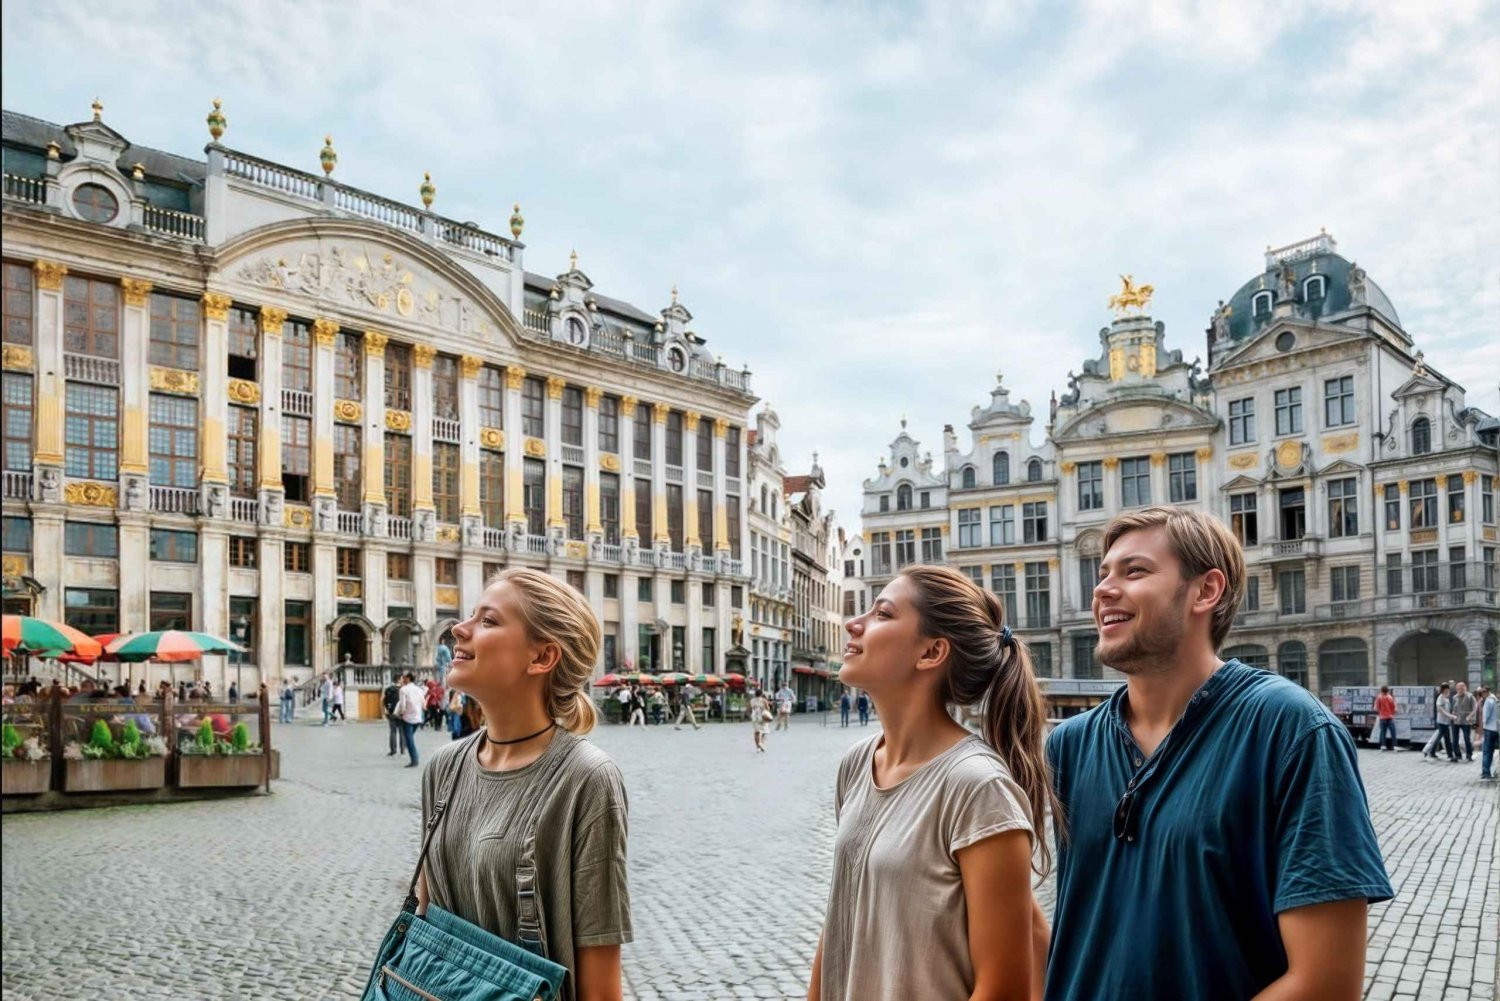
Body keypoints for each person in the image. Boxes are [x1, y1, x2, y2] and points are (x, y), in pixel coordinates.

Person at [1044, 507, 1391, 1001]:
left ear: (1206, 591)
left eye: (1134, 571)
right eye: (1103, 574)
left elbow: (1326, 983)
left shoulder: (1290, 729)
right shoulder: (1069, 744)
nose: (1102, 590)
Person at [808, 564, 1052, 1001]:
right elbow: (842, 916)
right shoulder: (856, 765)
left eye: (882, 614)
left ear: (931, 652)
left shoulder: (978, 788)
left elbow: (1004, 989)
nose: (853, 622)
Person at [416, 566, 631, 1000]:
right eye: (471, 616)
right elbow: (424, 920)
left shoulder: (585, 779)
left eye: (488, 620)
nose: (459, 628)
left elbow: (600, 977)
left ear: (541, 658)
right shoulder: (443, 767)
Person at [396, 671, 425, 767]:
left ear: (408, 678)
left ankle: (415, 759)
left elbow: (402, 704)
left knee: (409, 740)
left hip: (407, 718)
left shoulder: (403, 690)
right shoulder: (420, 690)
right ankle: (414, 757)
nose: (402, 679)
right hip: (418, 717)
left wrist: (400, 713)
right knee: (410, 738)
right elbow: (423, 704)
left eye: (404, 677)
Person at [1424, 683, 1455, 761]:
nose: (1448, 691)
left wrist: (1450, 716)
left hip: (1446, 722)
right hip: (1441, 721)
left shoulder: (1446, 698)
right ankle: (1431, 751)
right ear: (1443, 690)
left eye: (1448, 690)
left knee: (1446, 738)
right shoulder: (1440, 698)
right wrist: (1450, 716)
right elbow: (1440, 709)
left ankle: (1448, 754)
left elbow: (1447, 709)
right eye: (1446, 690)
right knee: (1440, 737)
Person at [1451, 681, 1476, 762]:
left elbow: (1475, 708)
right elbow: (1452, 709)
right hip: (1456, 720)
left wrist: (1470, 716)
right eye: (1458, 689)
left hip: (1466, 720)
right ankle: (1457, 755)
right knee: (1455, 739)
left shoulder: (1470, 696)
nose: (1459, 690)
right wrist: (1452, 715)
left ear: (1465, 688)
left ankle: (1469, 755)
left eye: (1461, 688)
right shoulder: (1454, 697)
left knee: (1466, 738)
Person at [1479, 687, 1498, 780]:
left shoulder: (1489, 701)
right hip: (1496, 729)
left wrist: (1483, 725)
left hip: (1489, 728)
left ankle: (1486, 772)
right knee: (1491, 750)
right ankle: (1488, 771)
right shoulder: (1495, 699)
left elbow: (1486, 715)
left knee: (1487, 751)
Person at [383, 676, 405, 756]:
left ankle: (393, 750)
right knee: (402, 732)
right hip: (401, 713)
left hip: (391, 712)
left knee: (393, 731)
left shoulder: (388, 689)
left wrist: (387, 710)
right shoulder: (403, 689)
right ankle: (402, 750)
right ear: (399, 680)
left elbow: (385, 701)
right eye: (402, 679)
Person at [1374, 685, 1398, 751]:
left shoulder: (1379, 697)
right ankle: (1394, 745)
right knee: (1393, 732)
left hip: (1382, 717)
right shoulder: (1390, 697)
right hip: (1390, 717)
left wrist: (1380, 711)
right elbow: (1394, 708)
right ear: (1388, 691)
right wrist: (1392, 713)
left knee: (1383, 732)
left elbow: (1376, 708)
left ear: (1381, 690)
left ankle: (1383, 746)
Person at [748, 688, 771, 752]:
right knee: (765, 731)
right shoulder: (764, 700)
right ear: (761, 694)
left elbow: (748, 710)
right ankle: (761, 743)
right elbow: (768, 709)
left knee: (756, 732)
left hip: (754, 717)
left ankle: (758, 747)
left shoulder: (751, 701)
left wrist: (750, 716)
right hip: (762, 717)